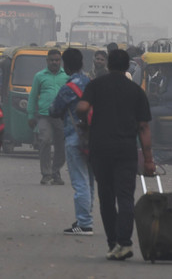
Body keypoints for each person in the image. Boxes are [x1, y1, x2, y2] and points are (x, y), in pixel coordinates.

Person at [77, 49, 154, 261]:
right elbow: (144, 127)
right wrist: (148, 160)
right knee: (126, 197)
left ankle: (113, 244)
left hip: (101, 150)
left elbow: (82, 107)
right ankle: (125, 243)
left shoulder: (96, 85)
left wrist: (83, 119)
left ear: (109, 64)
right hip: (126, 151)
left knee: (107, 198)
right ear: (127, 67)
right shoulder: (136, 91)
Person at [49, 48, 94, 236]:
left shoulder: (68, 88)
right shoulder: (90, 83)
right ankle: (85, 218)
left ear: (65, 65)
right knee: (89, 179)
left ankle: (84, 223)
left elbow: (55, 110)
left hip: (75, 136)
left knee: (79, 180)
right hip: (93, 137)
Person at [27, 48, 69, 185]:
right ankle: (46, 173)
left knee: (61, 146)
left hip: (62, 117)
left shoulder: (66, 76)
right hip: (44, 115)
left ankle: (56, 172)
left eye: (57, 60)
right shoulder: (39, 76)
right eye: (52, 60)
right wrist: (30, 115)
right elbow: (33, 97)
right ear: (47, 61)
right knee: (45, 141)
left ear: (60, 61)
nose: (54, 62)